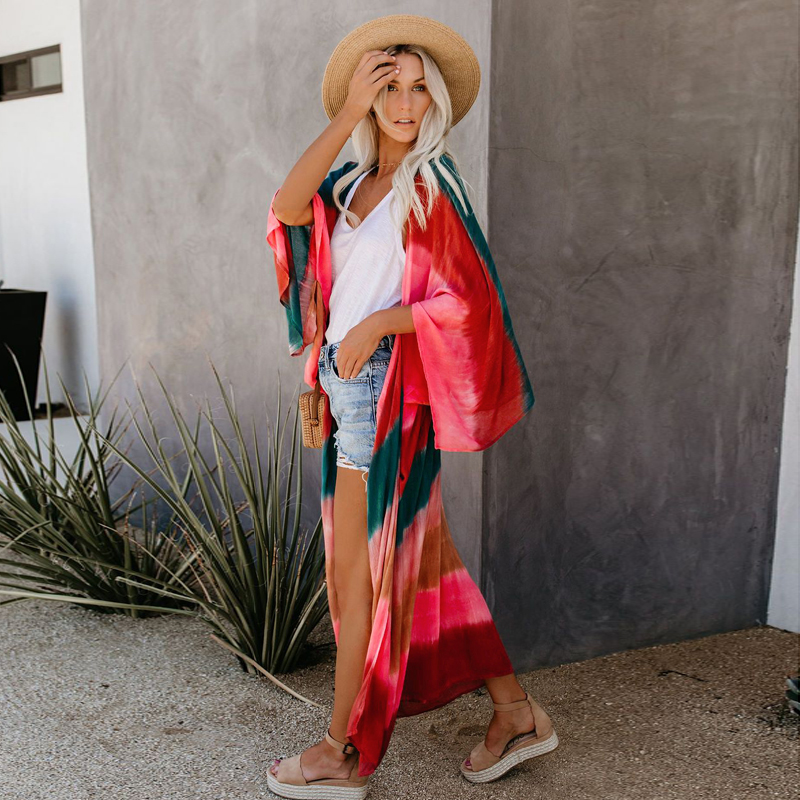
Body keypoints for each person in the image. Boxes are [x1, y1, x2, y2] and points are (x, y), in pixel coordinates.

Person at [265, 14, 559, 799]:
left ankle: (341, 752)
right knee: (422, 562)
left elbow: (467, 303)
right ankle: (515, 712)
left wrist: (382, 322)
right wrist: (344, 115)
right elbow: (287, 208)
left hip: (386, 392)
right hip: (346, 388)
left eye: (418, 88)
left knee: (356, 577)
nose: (404, 104)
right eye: (388, 88)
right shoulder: (348, 184)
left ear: (436, 101)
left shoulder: (431, 187)